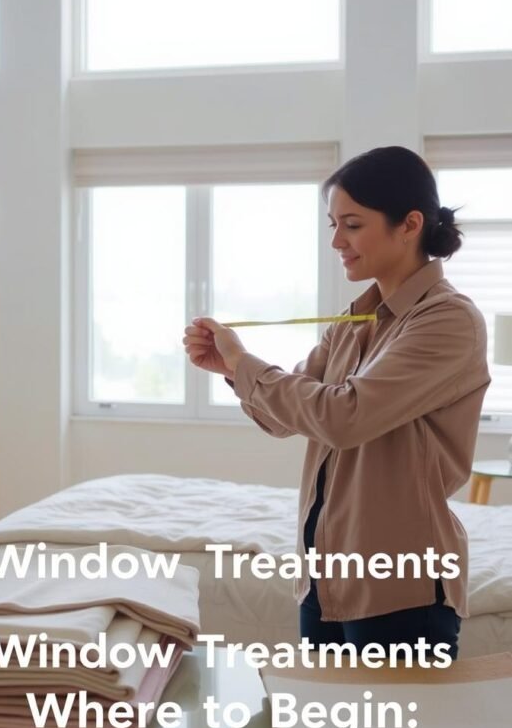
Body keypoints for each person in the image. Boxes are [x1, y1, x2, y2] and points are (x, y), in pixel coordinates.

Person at [183, 146, 491, 661]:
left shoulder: (448, 320)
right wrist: (232, 373)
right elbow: (290, 419)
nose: (336, 242)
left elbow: (342, 417)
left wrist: (246, 365)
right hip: (324, 582)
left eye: (351, 225)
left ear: (410, 223)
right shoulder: (356, 321)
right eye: (333, 225)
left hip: (400, 591)